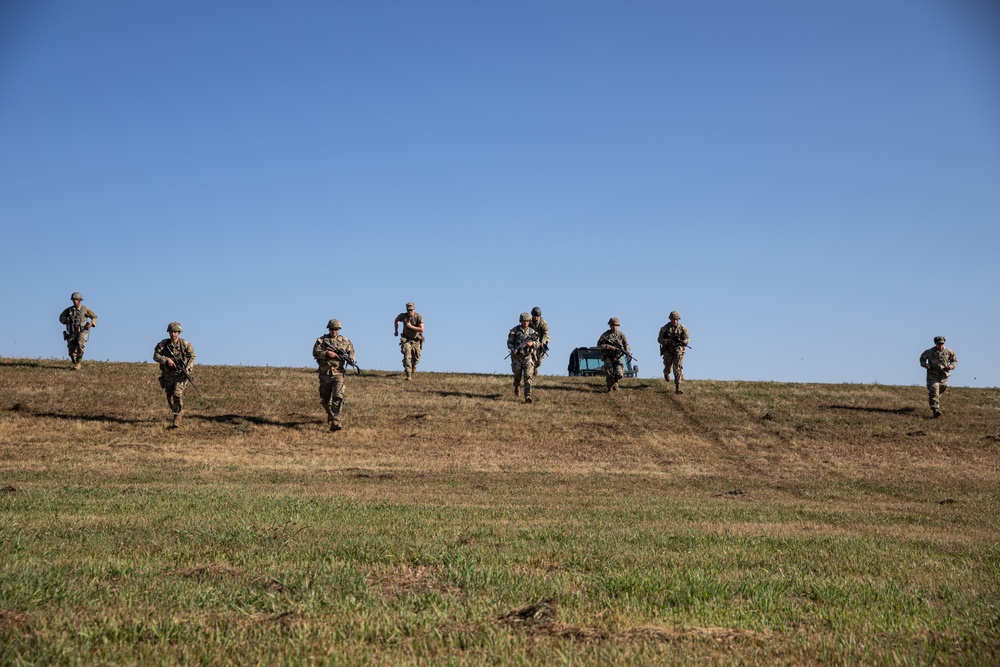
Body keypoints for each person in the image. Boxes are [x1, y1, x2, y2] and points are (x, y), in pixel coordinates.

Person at [313, 319, 356, 431]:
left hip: (338, 373)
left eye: (336, 329)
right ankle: (330, 414)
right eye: (332, 329)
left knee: (338, 396)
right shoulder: (322, 341)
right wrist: (327, 353)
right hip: (325, 374)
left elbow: (351, 351)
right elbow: (315, 352)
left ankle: (335, 421)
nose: (334, 331)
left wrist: (351, 359)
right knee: (325, 399)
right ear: (329, 329)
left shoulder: (345, 341)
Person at [153, 322, 196, 428]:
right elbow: (155, 356)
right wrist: (166, 360)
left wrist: (188, 367)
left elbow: (192, 356)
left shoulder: (185, 344)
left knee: (177, 394)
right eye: (172, 332)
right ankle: (176, 411)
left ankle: (177, 418)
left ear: (179, 332)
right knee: (170, 398)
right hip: (168, 375)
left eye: (176, 332)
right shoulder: (163, 344)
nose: (173, 334)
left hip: (180, 375)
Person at [919, 336, 957, 418]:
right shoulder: (929, 352)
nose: (940, 345)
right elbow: (922, 359)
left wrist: (951, 366)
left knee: (942, 388)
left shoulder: (949, 352)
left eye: (942, 344)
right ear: (935, 343)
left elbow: (954, 361)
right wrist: (925, 365)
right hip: (932, 375)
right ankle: (935, 410)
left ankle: (933, 398)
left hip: (943, 376)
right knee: (934, 391)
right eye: (939, 344)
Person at [58, 292, 98, 370]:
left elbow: (94, 317)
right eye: (73, 299)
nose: (75, 301)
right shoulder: (69, 310)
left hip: (82, 331)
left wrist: (91, 323)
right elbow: (61, 317)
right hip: (72, 332)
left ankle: (78, 363)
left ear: (80, 300)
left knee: (80, 345)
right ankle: (75, 361)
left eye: (76, 299)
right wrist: (66, 321)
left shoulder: (85, 309)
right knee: (71, 352)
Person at [507, 312, 539, 403]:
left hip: (527, 357)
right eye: (524, 321)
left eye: (527, 321)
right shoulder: (515, 331)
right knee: (517, 376)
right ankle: (517, 386)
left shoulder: (532, 332)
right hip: (517, 358)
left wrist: (532, 343)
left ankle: (527, 396)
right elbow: (509, 343)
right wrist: (513, 349)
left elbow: (538, 343)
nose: (525, 323)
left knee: (528, 376)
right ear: (521, 321)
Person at [657, 310, 690, 394]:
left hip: (678, 351)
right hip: (668, 351)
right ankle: (666, 372)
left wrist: (684, 342)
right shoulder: (665, 328)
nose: (675, 321)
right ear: (670, 319)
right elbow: (659, 339)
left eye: (676, 319)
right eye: (673, 319)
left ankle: (677, 388)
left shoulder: (683, 329)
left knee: (677, 368)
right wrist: (668, 341)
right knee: (668, 367)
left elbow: (687, 338)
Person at [597, 317, 631, 392]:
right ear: (610, 325)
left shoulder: (621, 335)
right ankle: (609, 389)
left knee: (619, 374)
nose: (614, 327)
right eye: (613, 325)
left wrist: (627, 351)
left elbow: (626, 344)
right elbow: (599, 345)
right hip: (608, 356)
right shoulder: (605, 335)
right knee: (609, 374)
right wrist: (609, 347)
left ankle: (615, 382)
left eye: (616, 325)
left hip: (617, 356)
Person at [393, 302, 424, 380]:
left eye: (411, 310)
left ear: (414, 309)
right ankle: (408, 375)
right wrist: (396, 330)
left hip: (416, 340)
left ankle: (414, 364)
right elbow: (396, 320)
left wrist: (410, 326)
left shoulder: (418, 316)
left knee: (416, 357)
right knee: (407, 356)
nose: (410, 312)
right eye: (408, 310)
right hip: (406, 339)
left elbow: (422, 329)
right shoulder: (403, 316)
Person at [529, 306, 550, 377]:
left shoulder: (543, 322)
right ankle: (530, 371)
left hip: (542, 340)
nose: (536, 317)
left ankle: (535, 368)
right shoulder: (529, 322)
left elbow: (545, 333)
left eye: (537, 316)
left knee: (539, 361)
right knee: (531, 356)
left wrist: (543, 342)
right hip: (532, 340)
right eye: (534, 316)